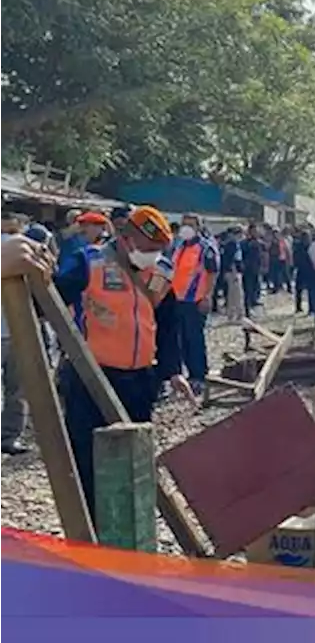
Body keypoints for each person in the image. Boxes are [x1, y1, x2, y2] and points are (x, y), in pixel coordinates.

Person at [55, 206, 191, 522]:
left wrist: (172, 371)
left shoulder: (161, 273)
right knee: (88, 456)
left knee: (134, 456)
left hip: (141, 379)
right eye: (147, 249)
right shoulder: (89, 262)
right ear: (126, 239)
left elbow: (168, 325)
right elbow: (53, 296)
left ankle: (130, 522)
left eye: (158, 250)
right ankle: (91, 526)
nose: (152, 256)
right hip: (91, 377)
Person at [0, 223, 55, 457]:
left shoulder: (23, 249)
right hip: (13, 331)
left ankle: (9, 437)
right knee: (17, 390)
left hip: (17, 331)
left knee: (18, 390)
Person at [170, 214, 219, 396]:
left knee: (194, 339)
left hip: (195, 300)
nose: (186, 228)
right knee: (181, 340)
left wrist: (207, 296)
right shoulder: (179, 246)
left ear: (198, 227)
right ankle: (188, 375)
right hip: (177, 300)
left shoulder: (206, 248)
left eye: (190, 225)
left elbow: (213, 273)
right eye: (184, 224)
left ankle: (199, 375)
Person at [218, 226, 246, 320]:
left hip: (233, 271)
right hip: (233, 272)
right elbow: (231, 260)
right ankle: (237, 314)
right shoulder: (232, 244)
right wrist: (234, 272)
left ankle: (233, 313)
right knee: (236, 294)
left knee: (233, 294)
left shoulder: (233, 244)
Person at [240, 222, 264, 314]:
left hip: (256, 269)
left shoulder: (258, 243)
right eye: (253, 231)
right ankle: (247, 309)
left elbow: (261, 255)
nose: (255, 232)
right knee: (248, 290)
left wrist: (262, 266)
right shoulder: (244, 243)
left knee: (256, 288)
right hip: (247, 270)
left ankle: (253, 303)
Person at [292, 226, 313, 314]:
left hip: (308, 269)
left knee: (309, 290)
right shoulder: (300, 246)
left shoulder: (310, 246)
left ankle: (310, 308)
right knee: (300, 290)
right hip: (303, 269)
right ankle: (299, 307)